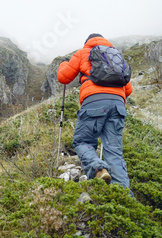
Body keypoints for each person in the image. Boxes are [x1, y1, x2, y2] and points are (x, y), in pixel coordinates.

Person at [57, 33, 133, 193]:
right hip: (118, 104)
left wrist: (64, 64)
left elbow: (63, 77)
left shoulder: (83, 53)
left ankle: (98, 168)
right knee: (114, 152)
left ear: (87, 42)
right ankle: (124, 197)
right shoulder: (115, 56)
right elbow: (129, 89)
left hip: (94, 102)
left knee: (82, 141)